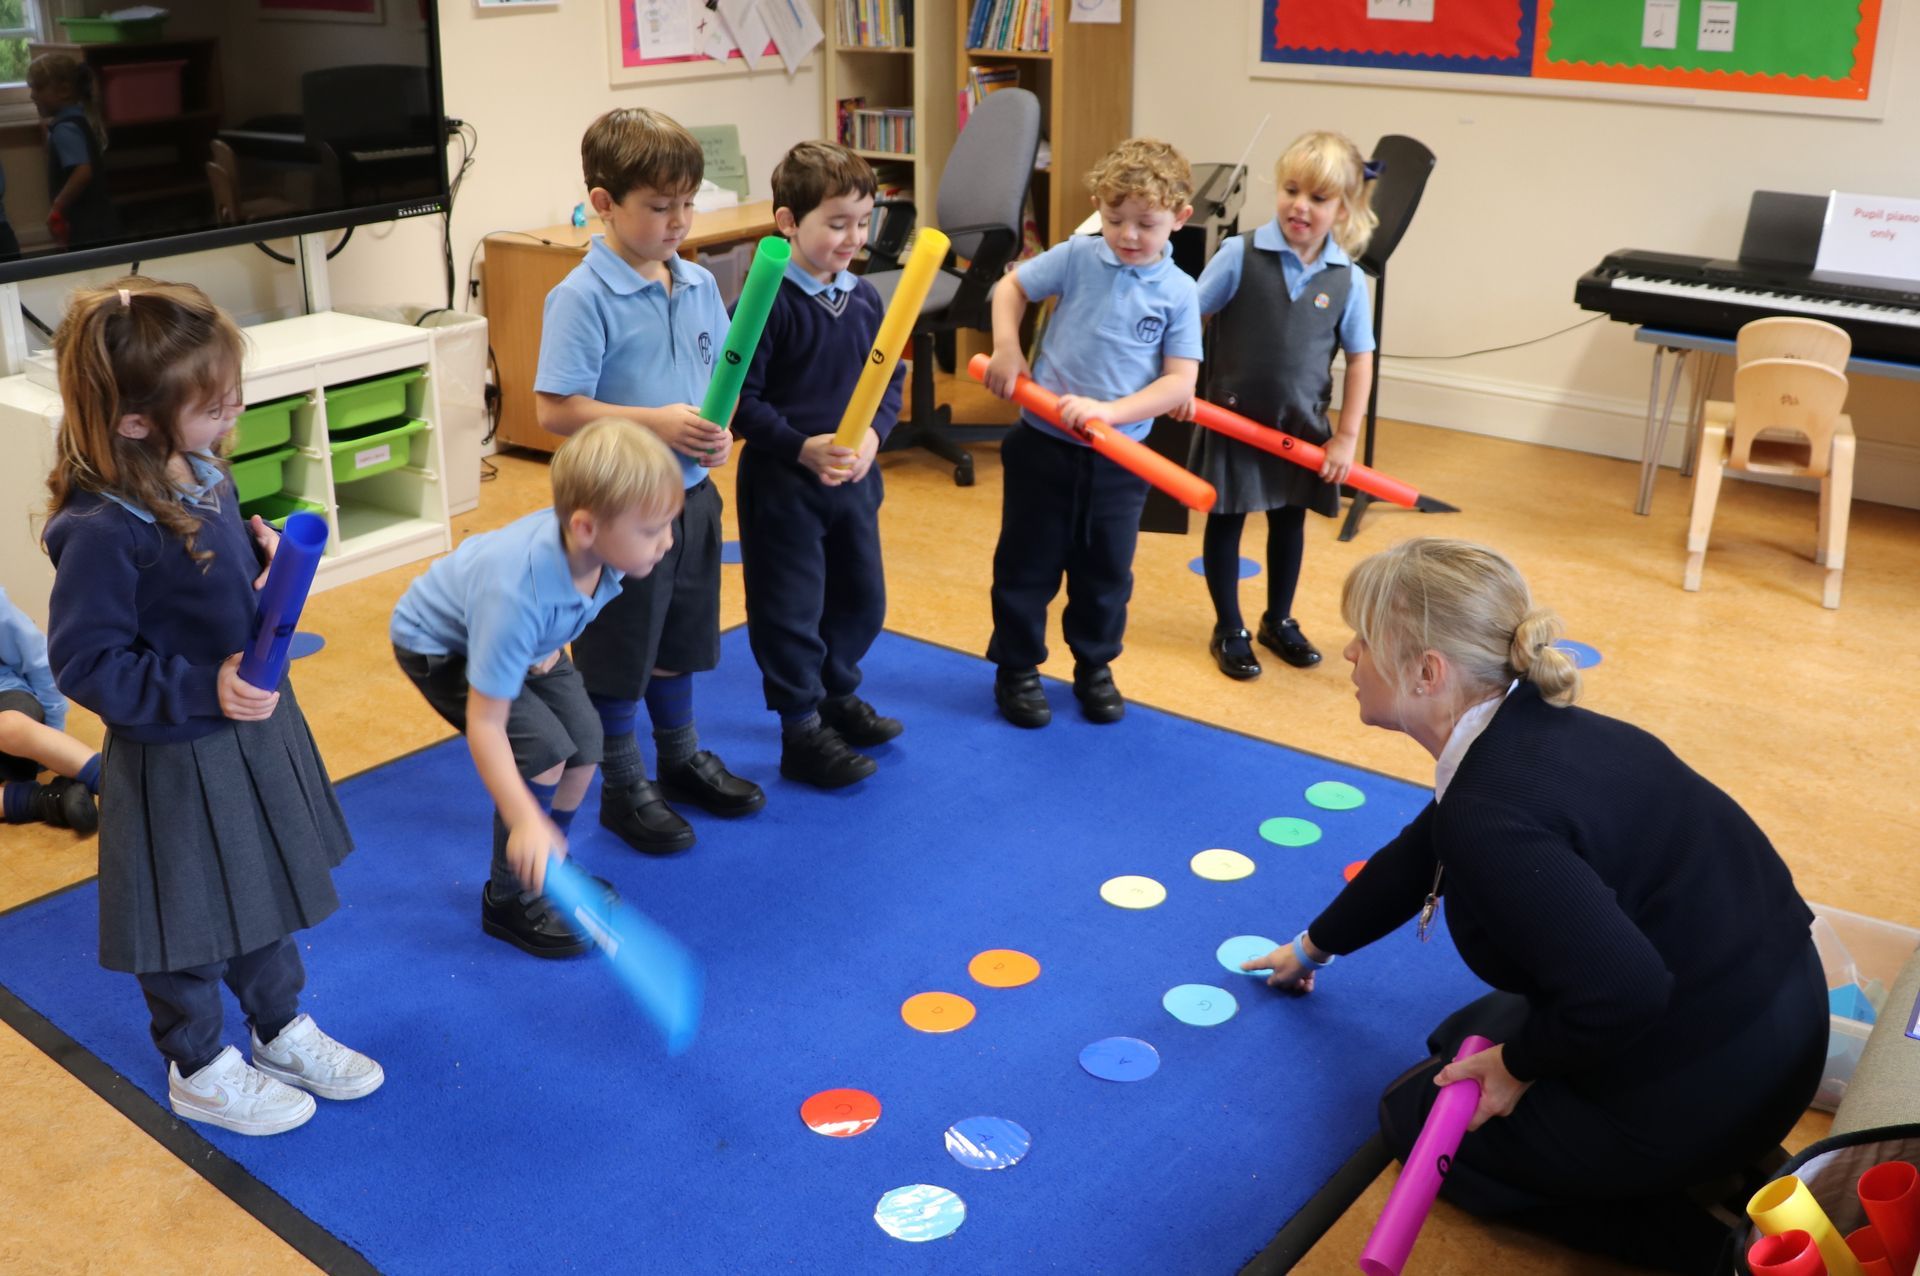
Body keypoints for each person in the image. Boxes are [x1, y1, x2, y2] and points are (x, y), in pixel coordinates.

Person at [1240, 538, 1826, 1271]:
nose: (1350, 654)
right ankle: (1697, 1158)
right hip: (1781, 1025)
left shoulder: (1490, 812)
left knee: (1412, 1114)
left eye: (1365, 639)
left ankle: (1703, 1244)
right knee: (1463, 1035)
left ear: (1428, 672)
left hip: (1713, 1075)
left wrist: (1518, 1068)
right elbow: (1423, 851)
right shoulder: (1532, 731)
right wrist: (1311, 947)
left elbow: (1628, 989)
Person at [42, 278, 378, 1137]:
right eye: (214, 409)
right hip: (175, 751)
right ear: (133, 420)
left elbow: (209, 595)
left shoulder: (203, 473)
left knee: (260, 883)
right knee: (185, 917)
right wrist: (200, 687)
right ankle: (197, 1063)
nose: (230, 421)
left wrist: (261, 576)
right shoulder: (101, 529)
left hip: (245, 734)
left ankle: (279, 1027)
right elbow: (86, 662)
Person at [535, 106, 762, 856]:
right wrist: (657, 424)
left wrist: (713, 431)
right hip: (619, 508)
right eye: (660, 207)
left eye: (688, 204)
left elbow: (709, 383)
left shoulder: (696, 283)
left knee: (681, 636)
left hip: (690, 497)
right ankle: (623, 781)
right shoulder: (581, 296)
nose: (679, 221)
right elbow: (554, 410)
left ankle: (679, 755)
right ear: (603, 202)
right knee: (620, 647)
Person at [391, 418, 682, 957]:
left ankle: (551, 867)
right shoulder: (518, 593)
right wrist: (525, 818)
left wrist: (539, 647)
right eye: (651, 529)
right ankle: (508, 895)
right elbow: (486, 725)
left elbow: (559, 613)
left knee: (586, 742)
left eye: (669, 523)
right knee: (544, 755)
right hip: (441, 643)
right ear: (587, 528)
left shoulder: (600, 555)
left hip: (526, 641)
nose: (666, 541)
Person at [982, 136, 1202, 728]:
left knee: (1105, 571)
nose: (1128, 235)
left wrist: (1112, 411)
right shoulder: (1079, 255)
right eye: (1115, 219)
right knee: (1027, 563)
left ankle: (1094, 665)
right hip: (1042, 444)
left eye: (1145, 224)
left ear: (1179, 220)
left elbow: (1180, 383)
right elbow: (1011, 287)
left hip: (1120, 458)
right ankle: (1018, 668)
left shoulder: (1180, 293)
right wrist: (1007, 348)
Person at [731, 141, 906, 789]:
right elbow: (738, 402)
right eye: (837, 223)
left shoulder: (864, 298)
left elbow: (890, 381)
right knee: (790, 607)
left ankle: (837, 696)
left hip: (855, 481)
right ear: (787, 223)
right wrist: (801, 446)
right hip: (784, 484)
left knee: (861, 598)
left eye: (863, 223)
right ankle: (800, 727)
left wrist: (873, 441)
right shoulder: (764, 302)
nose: (854, 238)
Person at [1176, 130, 1377, 679]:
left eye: (1318, 198)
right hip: (1232, 420)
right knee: (1227, 520)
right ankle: (1229, 627)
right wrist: (1181, 381)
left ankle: (1277, 619)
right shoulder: (1239, 255)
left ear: (1343, 208)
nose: (1300, 206)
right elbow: (1191, 317)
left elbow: (1360, 359)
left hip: (1302, 428)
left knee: (1289, 524)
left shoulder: (1349, 281)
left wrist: (1345, 438)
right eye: (1291, 190)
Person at [0, 584, 100, 833]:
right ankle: (44, 801)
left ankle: (109, 779)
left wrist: (52, 733)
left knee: (9, 726)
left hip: (6, 700)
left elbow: (37, 660)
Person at [27, 54, 115, 248]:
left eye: (39, 88)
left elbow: (83, 172)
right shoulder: (78, 120)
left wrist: (57, 207)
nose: (32, 95)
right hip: (99, 222)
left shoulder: (65, 128)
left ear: (64, 91)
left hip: (87, 227)